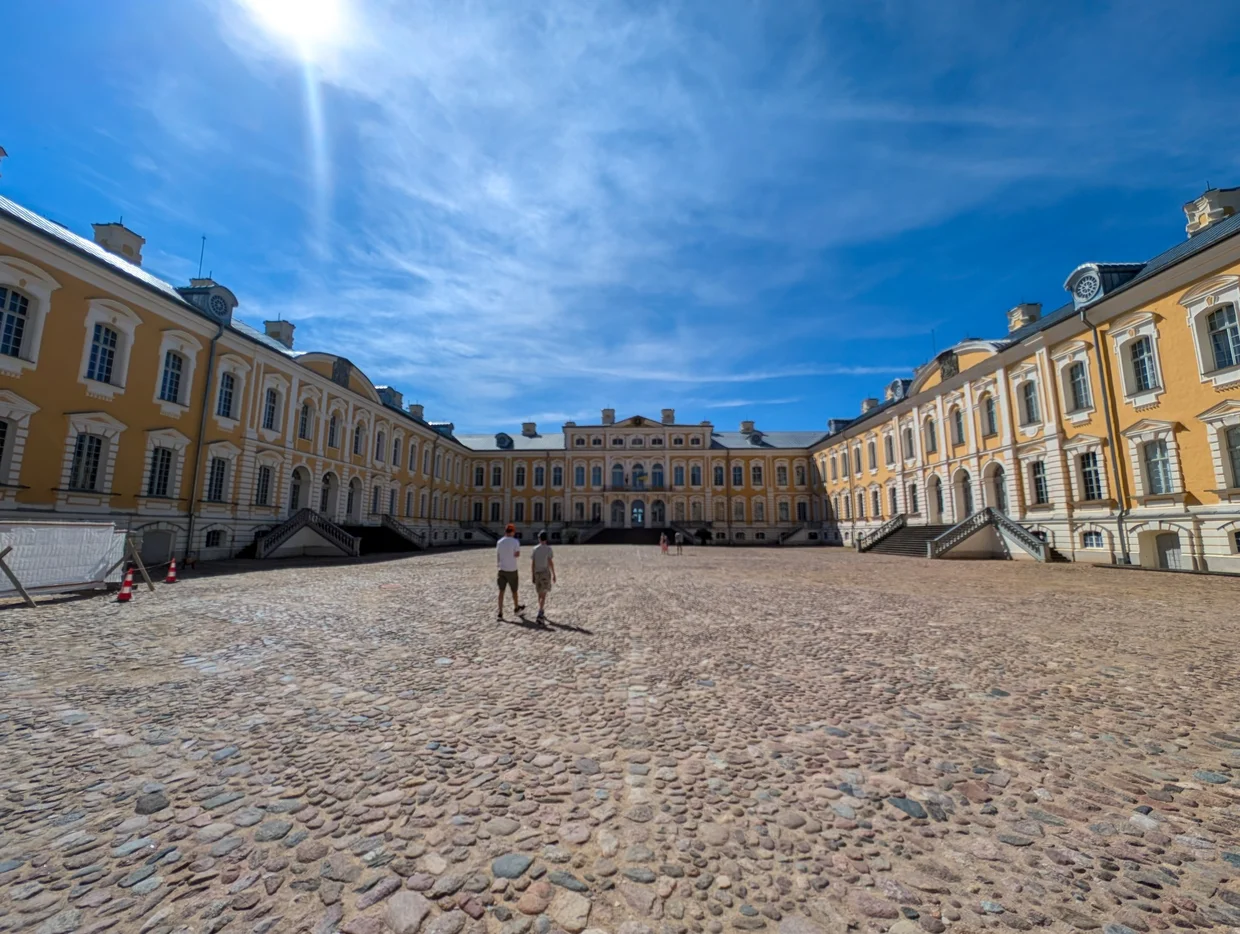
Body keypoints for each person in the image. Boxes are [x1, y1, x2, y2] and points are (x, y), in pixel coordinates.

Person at [496, 524, 524, 621]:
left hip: (502, 569)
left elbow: (498, 555)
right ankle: (516, 608)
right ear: (512, 532)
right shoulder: (515, 542)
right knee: (514, 591)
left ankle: (500, 612)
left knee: (501, 591)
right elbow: (517, 555)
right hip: (512, 569)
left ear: (505, 531)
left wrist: (499, 565)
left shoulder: (499, 542)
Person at [531, 530, 556, 624]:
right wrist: (554, 574)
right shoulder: (548, 549)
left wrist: (532, 575)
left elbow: (532, 564)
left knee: (539, 593)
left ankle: (541, 609)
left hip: (537, 573)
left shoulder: (535, 549)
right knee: (544, 594)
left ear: (539, 538)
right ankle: (540, 612)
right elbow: (550, 562)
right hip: (545, 573)